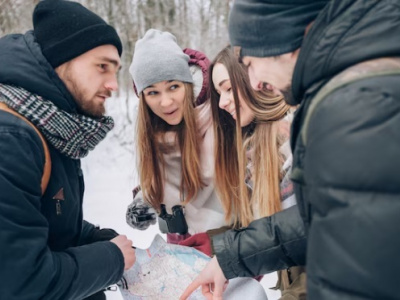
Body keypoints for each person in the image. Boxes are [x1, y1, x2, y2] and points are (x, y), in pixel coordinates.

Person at [182, 0, 400, 299]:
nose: (256, 82)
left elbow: (357, 269)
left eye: (249, 67)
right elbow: (323, 217)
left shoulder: (353, 104)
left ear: (281, 38)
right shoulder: (344, 93)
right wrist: (229, 253)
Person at [0, 1, 136, 299]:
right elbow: (22, 283)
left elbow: (41, 217)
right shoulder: (10, 140)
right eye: (102, 67)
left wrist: (91, 237)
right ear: (60, 62)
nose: (114, 84)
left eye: (116, 70)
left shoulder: (53, 127)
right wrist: (110, 259)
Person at [210, 46, 306, 298]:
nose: (222, 102)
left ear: (254, 80)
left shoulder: (294, 143)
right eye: (219, 93)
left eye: (228, 88)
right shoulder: (255, 152)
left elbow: (327, 239)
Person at [126, 29, 225, 257]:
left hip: (226, 245)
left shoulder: (220, 115)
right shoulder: (151, 130)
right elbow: (162, 183)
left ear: (187, 83)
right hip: (181, 247)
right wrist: (144, 203)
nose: (166, 102)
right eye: (152, 92)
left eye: (173, 87)